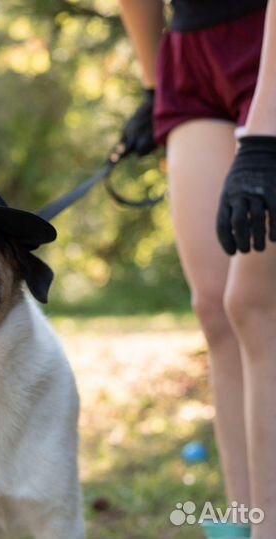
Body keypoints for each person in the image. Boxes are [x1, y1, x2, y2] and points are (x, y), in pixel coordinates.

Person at [119, 1, 276, 537]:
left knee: (256, 307)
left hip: (269, 33)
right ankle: (245, 517)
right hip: (189, 51)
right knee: (215, 308)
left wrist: (264, 142)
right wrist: (151, 82)